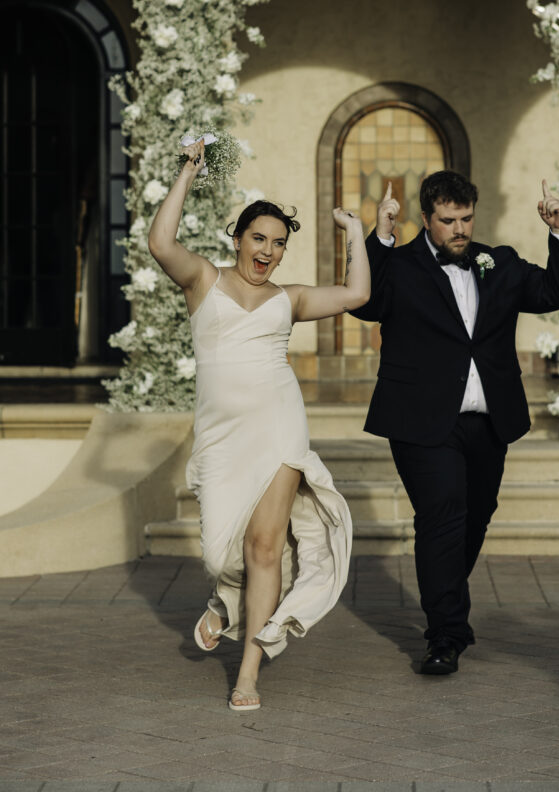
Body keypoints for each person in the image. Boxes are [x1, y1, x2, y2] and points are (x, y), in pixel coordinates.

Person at [148, 138, 370, 711]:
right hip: (221, 438)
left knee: (264, 547)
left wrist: (355, 232)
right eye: (258, 239)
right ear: (238, 239)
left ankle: (248, 669)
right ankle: (227, 599)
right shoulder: (203, 279)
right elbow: (160, 242)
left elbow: (358, 292)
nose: (267, 251)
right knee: (222, 556)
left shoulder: (288, 298)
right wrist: (189, 170)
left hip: (278, 426)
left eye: (277, 243)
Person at [351, 170, 559, 675]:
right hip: (421, 421)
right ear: (427, 218)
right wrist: (382, 236)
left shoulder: (498, 262)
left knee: (475, 515)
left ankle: (446, 600)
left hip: (489, 421)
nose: (459, 229)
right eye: (448, 220)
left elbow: (555, 292)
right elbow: (365, 301)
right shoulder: (402, 265)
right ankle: (446, 635)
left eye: (466, 219)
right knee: (443, 516)